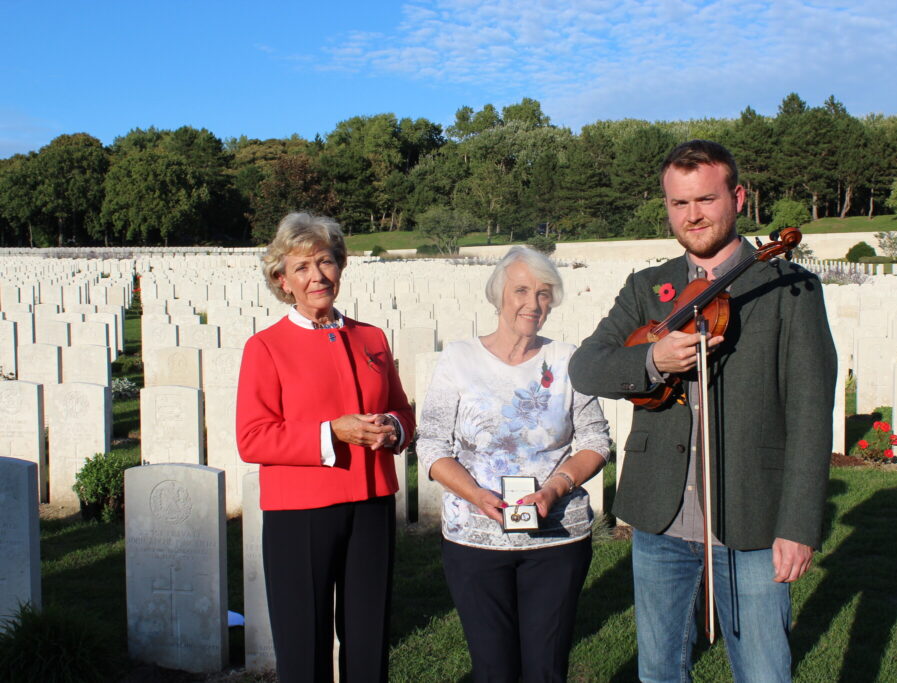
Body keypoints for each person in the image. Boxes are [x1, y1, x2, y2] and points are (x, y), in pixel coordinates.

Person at [568, 140, 837, 683]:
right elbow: (586, 367)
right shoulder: (649, 288)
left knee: (764, 673)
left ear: (737, 197)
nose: (693, 215)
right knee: (660, 672)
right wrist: (651, 360)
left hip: (754, 516)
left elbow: (812, 413)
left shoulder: (788, 288)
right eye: (679, 203)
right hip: (660, 518)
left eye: (706, 200)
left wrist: (800, 525)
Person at [417, 246, 611, 682]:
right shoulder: (459, 359)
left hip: (556, 540)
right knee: (493, 668)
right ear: (498, 294)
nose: (533, 303)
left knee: (546, 668)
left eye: (544, 293)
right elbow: (431, 443)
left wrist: (556, 487)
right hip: (475, 538)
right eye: (522, 290)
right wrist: (477, 495)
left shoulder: (566, 360)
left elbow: (596, 438)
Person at [236, 212, 414, 683]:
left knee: (369, 633)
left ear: (341, 265)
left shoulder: (370, 337)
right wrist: (331, 433)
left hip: (372, 502)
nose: (318, 276)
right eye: (302, 267)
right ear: (282, 279)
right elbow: (252, 436)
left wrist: (394, 428)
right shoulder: (266, 347)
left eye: (327, 262)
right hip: (301, 510)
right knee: (304, 641)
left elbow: (402, 409)